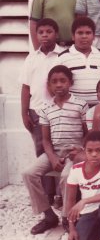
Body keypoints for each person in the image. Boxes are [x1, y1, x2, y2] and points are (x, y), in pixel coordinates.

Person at [22, 65, 88, 234]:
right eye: (54, 82)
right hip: (54, 152)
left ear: (70, 83)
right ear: (49, 85)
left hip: (75, 153)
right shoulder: (45, 108)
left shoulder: (80, 105)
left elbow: (88, 134)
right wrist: (51, 157)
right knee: (29, 173)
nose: (59, 85)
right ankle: (49, 215)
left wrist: (81, 151)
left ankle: (67, 216)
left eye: (63, 81)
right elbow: (45, 139)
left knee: (67, 176)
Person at [19, 18, 63, 158]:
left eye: (49, 31)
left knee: (59, 149)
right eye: (41, 32)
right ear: (36, 35)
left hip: (58, 110)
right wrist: (24, 113)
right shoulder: (31, 58)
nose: (44, 35)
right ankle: (44, 181)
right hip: (36, 111)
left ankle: (61, 180)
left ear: (56, 34)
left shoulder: (63, 56)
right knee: (41, 148)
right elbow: (26, 87)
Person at [57, 17, 100, 107]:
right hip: (73, 109)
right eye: (80, 33)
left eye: (88, 33)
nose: (84, 36)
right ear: (73, 36)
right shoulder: (62, 58)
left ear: (94, 36)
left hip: (99, 108)